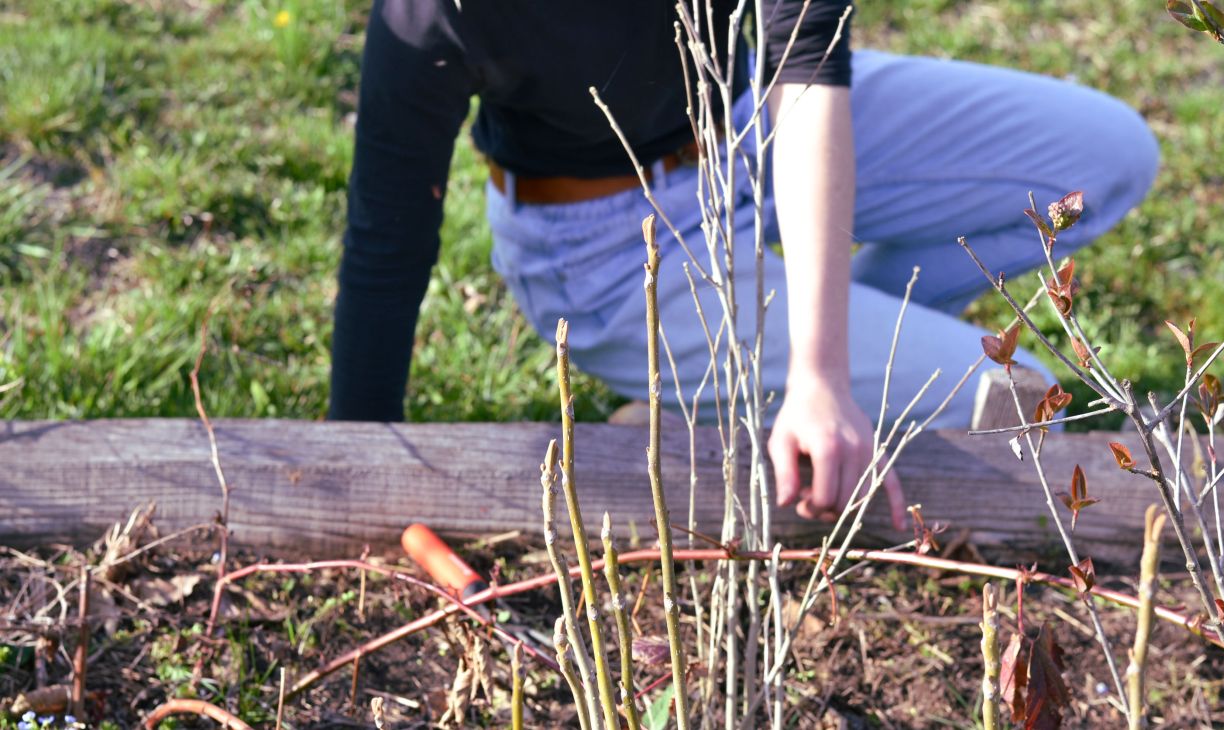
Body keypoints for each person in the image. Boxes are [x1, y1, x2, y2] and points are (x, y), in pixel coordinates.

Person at [328, 1, 1159, 526]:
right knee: (1026, 406)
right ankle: (753, 392)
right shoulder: (433, 10)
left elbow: (808, 77)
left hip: (752, 122)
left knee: (1105, 160)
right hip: (604, 239)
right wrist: (353, 469)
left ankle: (793, 377)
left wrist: (821, 374)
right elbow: (388, 230)